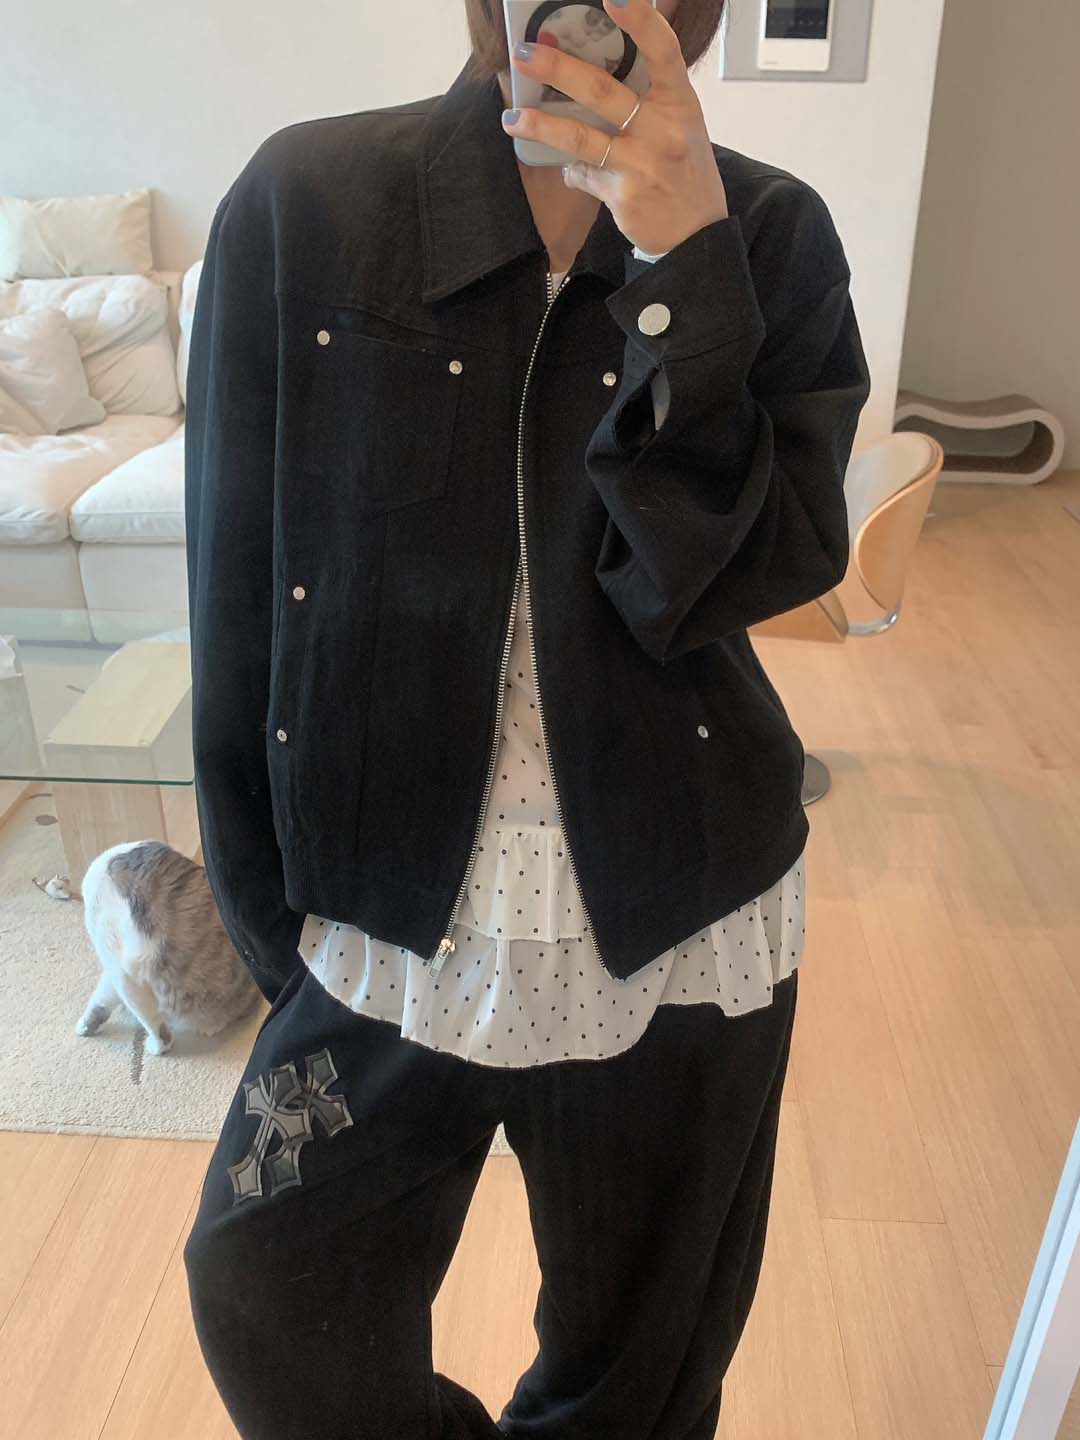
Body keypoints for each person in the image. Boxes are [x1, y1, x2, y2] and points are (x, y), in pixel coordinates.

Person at [182, 0, 872, 1435]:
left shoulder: (771, 233)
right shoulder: (309, 200)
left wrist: (684, 271)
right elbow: (236, 571)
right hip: (379, 903)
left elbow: (745, 574)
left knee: (642, 1373)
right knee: (267, 1293)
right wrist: (264, 906)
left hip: (683, 916)